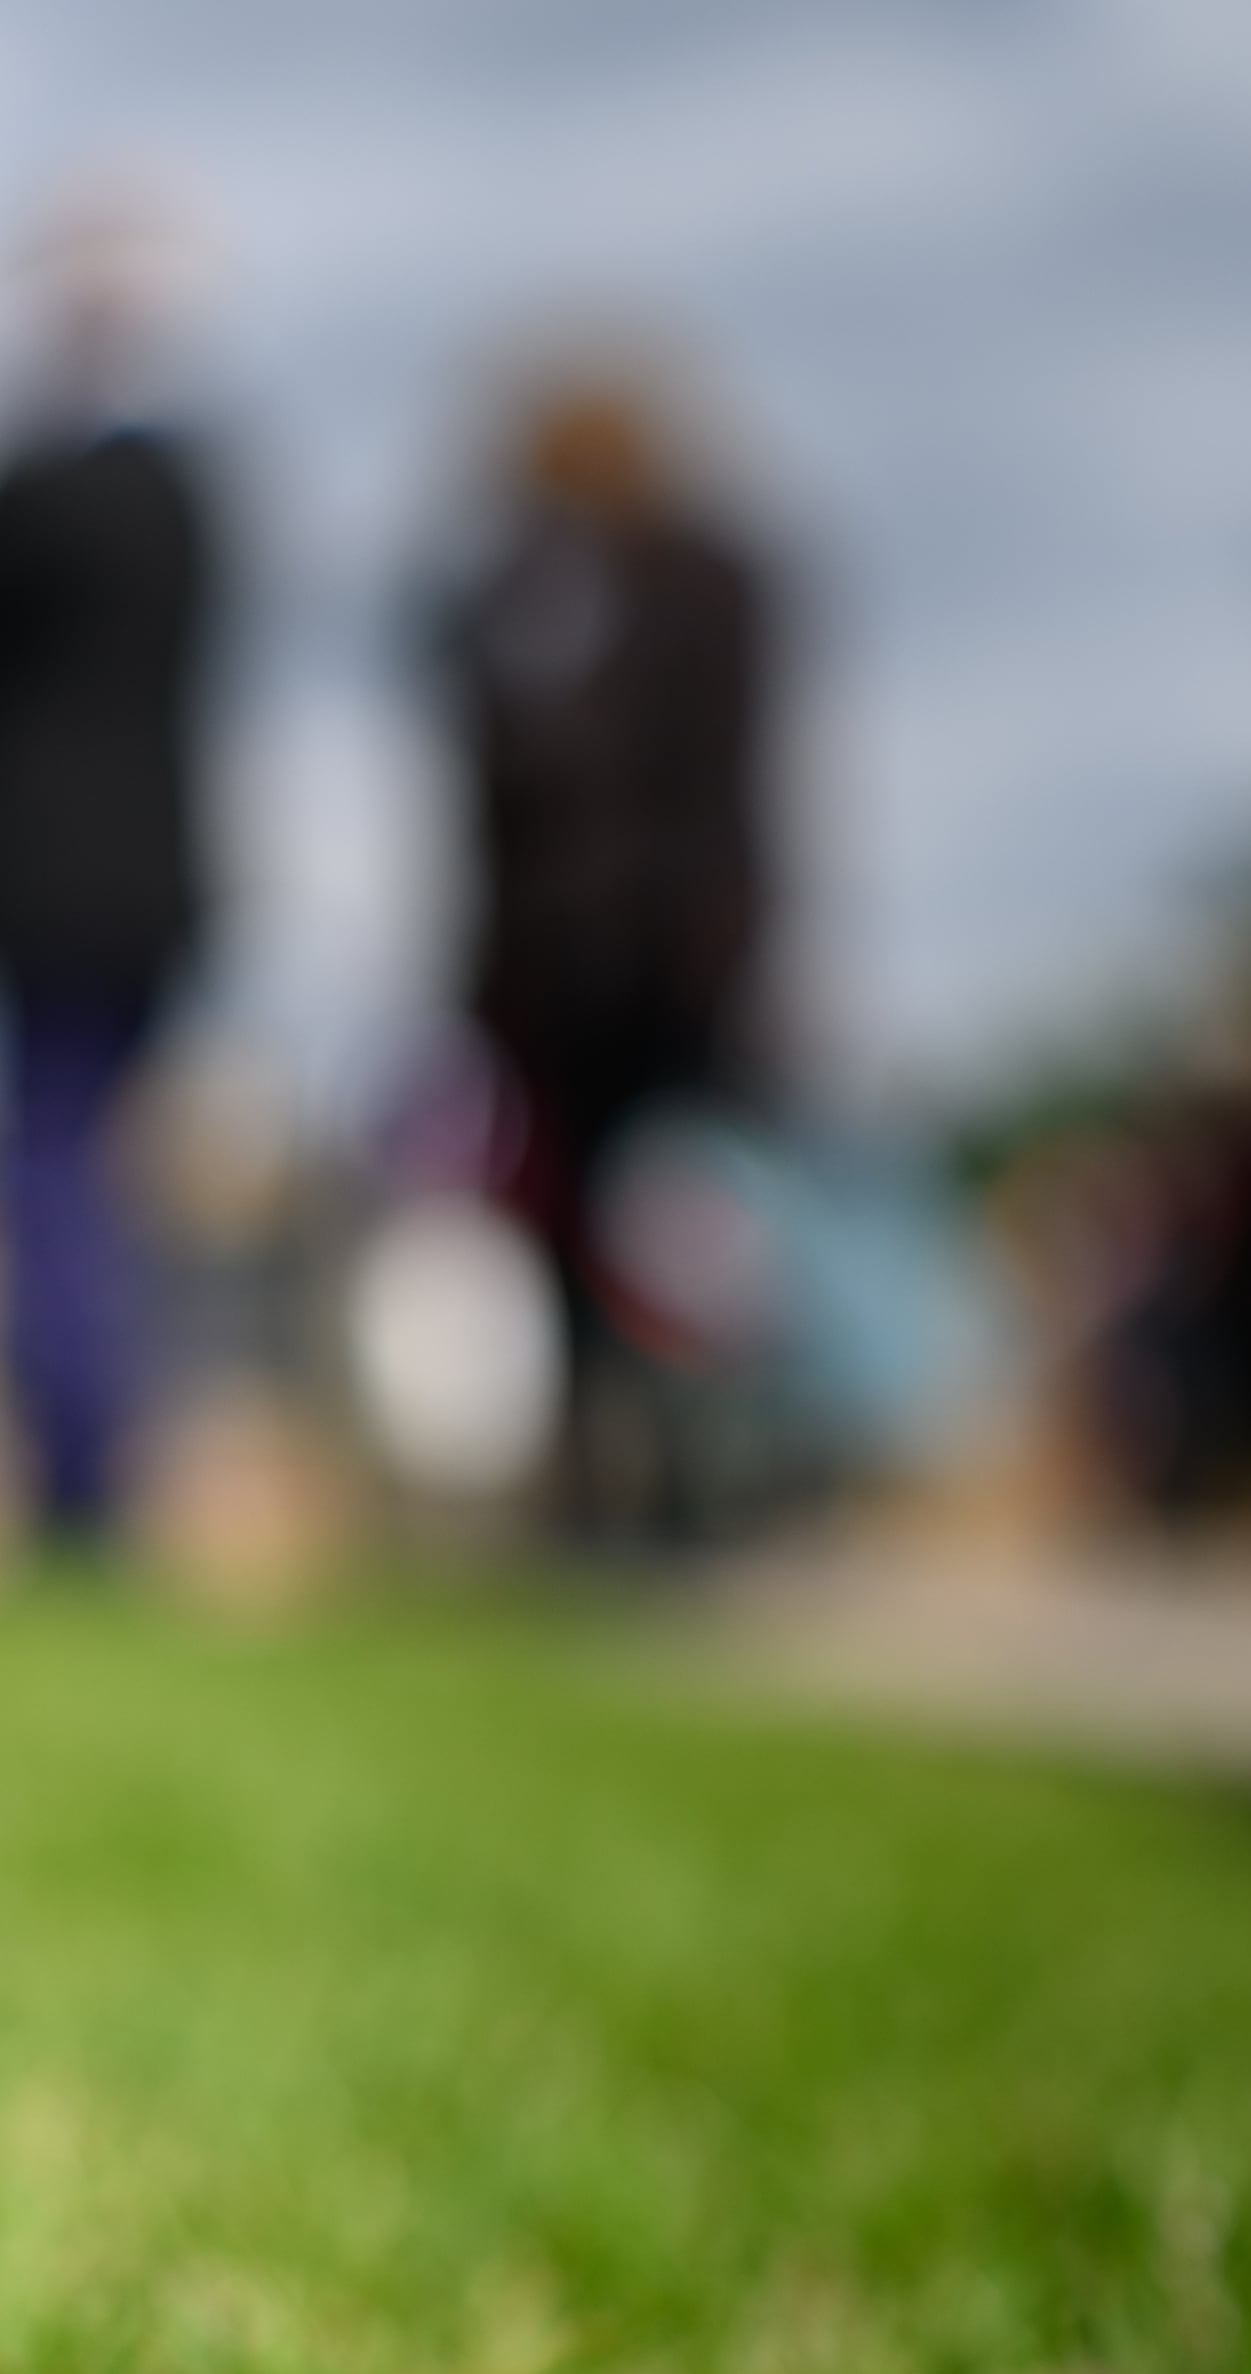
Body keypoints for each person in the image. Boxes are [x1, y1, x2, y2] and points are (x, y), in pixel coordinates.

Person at [0, 214, 223, 1548]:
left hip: (27, 887)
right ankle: (103, 1452)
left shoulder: (21, 496)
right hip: (152, 890)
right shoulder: (189, 496)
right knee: (106, 1167)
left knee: (45, 1168)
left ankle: (75, 1473)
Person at [435, 362, 779, 1527]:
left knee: (679, 1222)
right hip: (550, 977)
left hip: (668, 964)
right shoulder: (504, 598)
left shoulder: (704, 582)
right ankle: (593, 1466)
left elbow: (730, 780)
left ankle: (695, 1468)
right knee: (569, 1218)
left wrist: (720, 944)